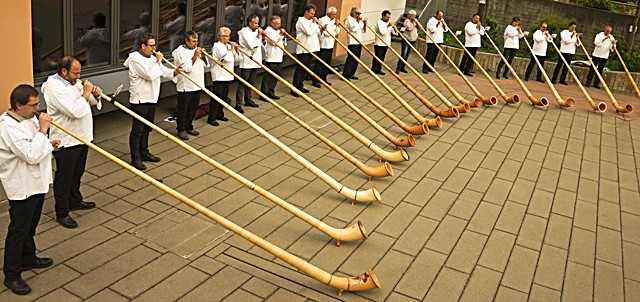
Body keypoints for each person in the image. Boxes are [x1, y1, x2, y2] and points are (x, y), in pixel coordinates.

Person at [0, 85, 58, 295]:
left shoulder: (28, 118)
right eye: (33, 105)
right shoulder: (8, 126)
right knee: (18, 230)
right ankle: (11, 274)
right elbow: (31, 154)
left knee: (31, 224)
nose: (38, 109)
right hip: (22, 184)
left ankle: (28, 257)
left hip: (36, 182)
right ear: (18, 105)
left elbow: (35, 144)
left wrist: (49, 144)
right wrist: (43, 130)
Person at [41, 56, 102, 229]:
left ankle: (75, 200)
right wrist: (86, 93)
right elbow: (74, 111)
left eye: (79, 73)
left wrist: (94, 95)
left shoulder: (73, 82)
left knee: (77, 172)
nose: (78, 76)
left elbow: (86, 102)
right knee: (64, 177)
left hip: (82, 136)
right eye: (75, 73)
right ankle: (62, 212)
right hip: (66, 139)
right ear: (64, 72)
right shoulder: (54, 87)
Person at [123, 33, 182, 171]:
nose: (154, 48)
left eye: (155, 45)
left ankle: (144, 152)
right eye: (151, 45)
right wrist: (158, 61)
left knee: (147, 128)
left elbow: (162, 71)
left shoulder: (152, 58)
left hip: (152, 97)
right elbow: (149, 75)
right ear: (143, 46)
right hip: (140, 99)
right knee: (138, 130)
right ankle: (135, 158)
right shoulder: (135, 59)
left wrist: (175, 71)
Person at [172, 31, 209, 140]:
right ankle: (181, 129)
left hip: (197, 84)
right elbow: (186, 68)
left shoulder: (196, 50)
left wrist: (203, 57)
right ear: (186, 41)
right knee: (183, 109)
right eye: (193, 41)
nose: (195, 43)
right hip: (186, 85)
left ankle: (189, 126)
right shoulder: (179, 52)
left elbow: (206, 66)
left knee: (193, 108)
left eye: (197, 41)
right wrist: (195, 55)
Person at [208, 27, 240, 125]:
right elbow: (226, 59)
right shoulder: (216, 46)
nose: (228, 38)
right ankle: (211, 117)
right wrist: (232, 49)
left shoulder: (228, 46)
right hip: (219, 75)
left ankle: (220, 113)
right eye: (226, 36)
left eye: (228, 36)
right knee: (216, 97)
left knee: (223, 96)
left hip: (228, 74)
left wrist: (236, 50)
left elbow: (237, 59)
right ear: (221, 37)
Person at [292, 4, 321, 95]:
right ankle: (295, 88)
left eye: (314, 14)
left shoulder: (311, 22)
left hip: (312, 48)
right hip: (303, 49)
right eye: (311, 13)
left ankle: (300, 85)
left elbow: (317, 33)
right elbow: (309, 32)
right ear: (306, 12)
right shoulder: (301, 21)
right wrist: (314, 23)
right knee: (301, 68)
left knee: (306, 69)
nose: (313, 15)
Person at [236, 15, 263, 109]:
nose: (257, 25)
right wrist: (259, 35)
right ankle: (238, 104)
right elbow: (252, 45)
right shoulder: (244, 32)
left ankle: (248, 100)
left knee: (251, 82)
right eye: (255, 23)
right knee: (243, 83)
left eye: (258, 23)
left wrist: (261, 36)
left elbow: (260, 45)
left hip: (255, 60)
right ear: (250, 23)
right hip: (247, 61)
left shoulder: (256, 31)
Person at [313, 6, 340, 84]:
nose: (333, 16)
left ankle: (324, 78)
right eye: (332, 14)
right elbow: (326, 33)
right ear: (328, 13)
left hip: (331, 44)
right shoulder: (323, 19)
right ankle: (316, 80)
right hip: (324, 44)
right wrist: (333, 27)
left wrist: (337, 26)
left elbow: (336, 32)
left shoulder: (333, 21)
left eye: (335, 14)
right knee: (320, 63)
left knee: (327, 63)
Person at [261, 16, 285, 100]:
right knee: (269, 75)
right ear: (272, 23)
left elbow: (283, 43)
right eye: (277, 23)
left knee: (276, 75)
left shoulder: (279, 31)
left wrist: (283, 37)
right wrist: (280, 35)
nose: (279, 25)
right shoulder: (268, 31)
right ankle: (264, 93)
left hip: (279, 56)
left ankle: (271, 91)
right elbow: (273, 42)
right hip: (272, 56)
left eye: (279, 23)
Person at [342, 6, 366, 80]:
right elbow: (353, 28)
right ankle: (346, 74)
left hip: (358, 41)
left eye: (359, 13)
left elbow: (363, 30)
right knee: (351, 58)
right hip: (352, 41)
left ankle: (351, 73)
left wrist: (364, 24)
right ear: (353, 13)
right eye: (357, 13)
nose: (358, 15)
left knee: (357, 58)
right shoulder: (349, 19)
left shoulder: (358, 20)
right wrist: (358, 22)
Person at [372, 10, 394, 75]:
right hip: (379, 43)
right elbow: (382, 32)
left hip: (386, 42)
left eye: (389, 17)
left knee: (382, 57)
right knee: (378, 56)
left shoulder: (388, 23)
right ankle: (375, 69)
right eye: (387, 17)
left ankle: (379, 68)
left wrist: (394, 28)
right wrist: (388, 26)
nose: (388, 19)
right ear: (383, 16)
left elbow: (392, 32)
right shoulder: (379, 22)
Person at [396, 10, 417, 74]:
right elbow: (409, 28)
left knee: (407, 55)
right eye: (412, 16)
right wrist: (414, 23)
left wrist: (417, 23)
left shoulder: (415, 22)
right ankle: (398, 68)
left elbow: (420, 28)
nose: (414, 17)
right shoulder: (406, 21)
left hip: (413, 39)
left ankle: (403, 67)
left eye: (414, 16)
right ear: (409, 16)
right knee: (404, 54)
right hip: (406, 39)